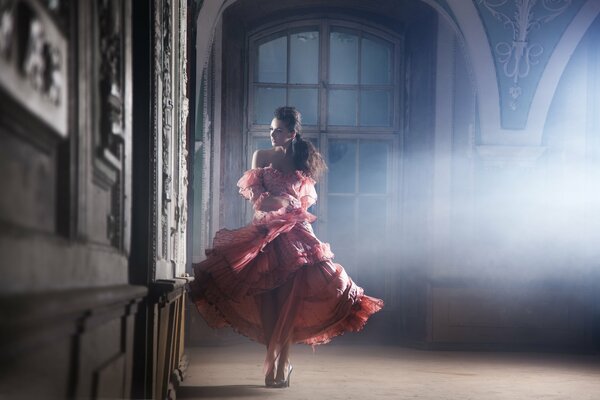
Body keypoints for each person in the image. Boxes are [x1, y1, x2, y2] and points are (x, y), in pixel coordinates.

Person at [189, 106, 384, 388]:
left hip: (297, 236)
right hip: (266, 234)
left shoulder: (303, 159)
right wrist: (282, 202)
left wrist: (291, 205)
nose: (272, 134)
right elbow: (259, 201)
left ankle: (282, 363)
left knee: (289, 302)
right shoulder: (262, 157)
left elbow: (305, 202)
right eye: (270, 129)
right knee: (268, 303)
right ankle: (276, 361)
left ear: (292, 134)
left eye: (278, 130)